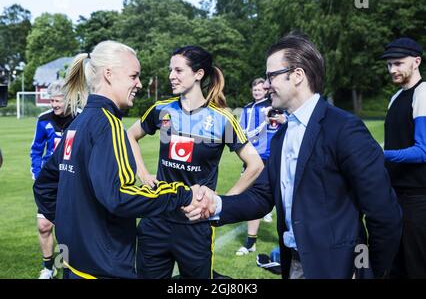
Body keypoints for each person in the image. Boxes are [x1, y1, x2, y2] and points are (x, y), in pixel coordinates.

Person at [185, 33, 402, 279]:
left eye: (271, 76)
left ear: (297, 75)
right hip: (295, 266)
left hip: (338, 269)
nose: (266, 85)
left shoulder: (344, 129)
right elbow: (262, 196)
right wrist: (215, 204)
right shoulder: (281, 136)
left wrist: (367, 271)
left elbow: (384, 214)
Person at [33, 41, 209, 279]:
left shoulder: (78, 123)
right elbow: (120, 196)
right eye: (134, 76)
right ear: (109, 74)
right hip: (104, 269)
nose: (139, 83)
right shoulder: (108, 125)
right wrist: (184, 194)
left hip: (74, 265)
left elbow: (44, 186)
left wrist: (74, 229)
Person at [127, 45, 264, 279]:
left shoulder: (222, 120)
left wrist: (221, 204)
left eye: (179, 70)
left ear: (199, 74)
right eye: (171, 70)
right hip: (155, 219)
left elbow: (255, 164)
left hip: (195, 225)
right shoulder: (162, 110)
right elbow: (129, 135)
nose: (171, 76)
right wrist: (142, 172)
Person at [380, 37, 426, 278]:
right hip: (394, 196)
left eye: (398, 63)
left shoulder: (424, 93)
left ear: (416, 61)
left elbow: (423, 151)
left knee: (416, 267)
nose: (392, 70)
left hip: (417, 200)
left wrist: (381, 154)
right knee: (394, 266)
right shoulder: (395, 98)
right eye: (389, 65)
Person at [30, 81, 78, 279]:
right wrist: (37, 173)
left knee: (68, 228)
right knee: (44, 226)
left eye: (58, 100)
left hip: (72, 180)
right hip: (49, 182)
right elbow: (36, 149)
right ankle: (49, 268)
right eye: (52, 100)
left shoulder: (80, 118)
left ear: (69, 100)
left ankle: (69, 266)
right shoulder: (43, 120)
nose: (54, 104)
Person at [235, 78, 283, 256]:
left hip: (275, 158)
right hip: (255, 158)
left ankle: (293, 242)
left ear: (266, 90)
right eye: (254, 89)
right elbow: (242, 131)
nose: (257, 91)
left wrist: (282, 118)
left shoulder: (276, 106)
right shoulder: (247, 108)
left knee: (285, 199)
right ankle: (250, 243)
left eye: (260, 89)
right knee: (253, 198)